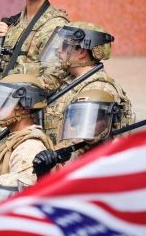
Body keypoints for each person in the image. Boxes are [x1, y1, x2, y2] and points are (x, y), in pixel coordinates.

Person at [40, 21, 133, 155]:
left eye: (65, 45)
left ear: (82, 52)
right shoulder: (67, 81)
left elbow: (78, 144)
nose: (59, 49)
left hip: (73, 166)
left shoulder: (99, 89)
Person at [33, 88, 124, 177]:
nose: (85, 124)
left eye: (93, 118)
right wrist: (44, 174)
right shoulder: (74, 150)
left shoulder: (123, 153)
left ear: (109, 119)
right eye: (81, 118)